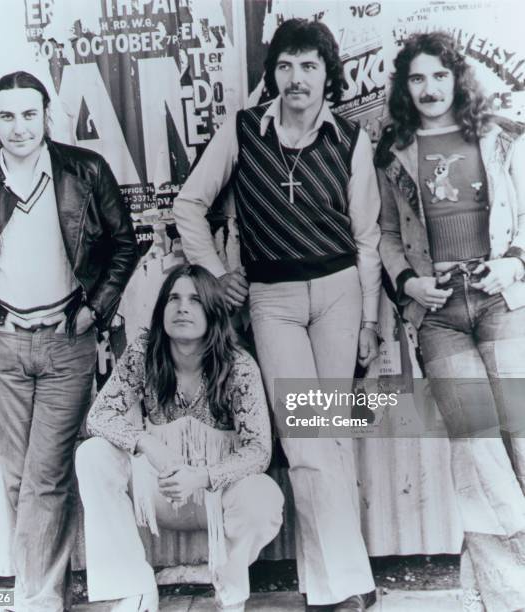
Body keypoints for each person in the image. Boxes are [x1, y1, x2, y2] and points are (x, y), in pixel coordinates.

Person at [174, 17, 381, 612]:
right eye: (285, 66)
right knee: (309, 439)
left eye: (309, 66)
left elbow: (366, 237)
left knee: (330, 438)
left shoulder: (350, 138)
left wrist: (369, 320)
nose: (296, 79)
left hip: (341, 291)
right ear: (273, 74)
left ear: (326, 75)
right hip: (273, 300)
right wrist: (214, 273)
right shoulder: (243, 131)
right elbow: (190, 204)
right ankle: (351, 581)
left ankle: (325, 587)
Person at [0, 71, 138, 611]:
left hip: (66, 342)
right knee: (19, 478)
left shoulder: (84, 170)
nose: (18, 127)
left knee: (46, 473)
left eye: (28, 114)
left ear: (45, 116)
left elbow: (125, 244)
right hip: (4, 347)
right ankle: (45, 588)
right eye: (6, 116)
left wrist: (95, 311)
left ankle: (36, 599)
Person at [376, 31, 525, 611]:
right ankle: (507, 593)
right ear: (404, 87)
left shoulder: (503, 137)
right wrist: (408, 283)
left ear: (457, 78)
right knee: (477, 452)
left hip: (499, 305)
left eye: (439, 75)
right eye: (417, 78)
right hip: (438, 318)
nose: (429, 88)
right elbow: (387, 234)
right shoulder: (393, 152)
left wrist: (512, 267)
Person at [75, 264, 284, 612]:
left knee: (264, 499)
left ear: (214, 312)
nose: (182, 307)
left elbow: (259, 451)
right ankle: (136, 591)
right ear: (162, 309)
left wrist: (201, 477)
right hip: (157, 491)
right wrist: (147, 443)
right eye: (174, 298)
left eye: (195, 300)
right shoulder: (145, 352)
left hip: (216, 499)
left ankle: (229, 590)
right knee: (92, 455)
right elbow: (98, 416)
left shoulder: (238, 364)